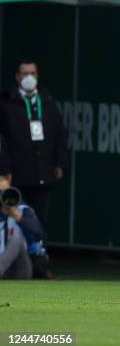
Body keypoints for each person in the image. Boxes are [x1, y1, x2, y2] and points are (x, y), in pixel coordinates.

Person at [0, 59, 68, 228]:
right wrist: (4, 169)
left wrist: (59, 163)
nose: (29, 77)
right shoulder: (6, 104)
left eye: (32, 73)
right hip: (14, 175)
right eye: (25, 73)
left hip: (41, 174)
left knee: (39, 220)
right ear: (17, 76)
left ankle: (39, 252)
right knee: (13, 219)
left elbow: (60, 134)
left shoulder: (47, 102)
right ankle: (13, 252)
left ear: (37, 76)